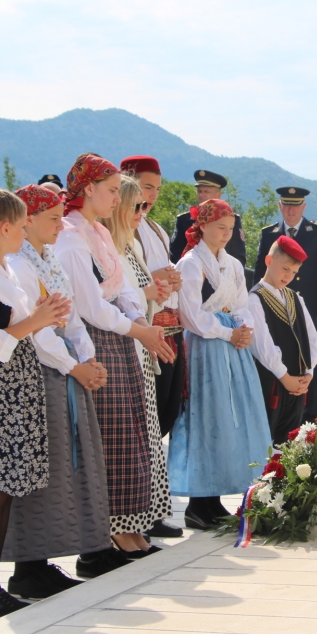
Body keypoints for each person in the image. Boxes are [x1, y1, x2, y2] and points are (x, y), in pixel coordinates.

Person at [53, 154, 175, 574]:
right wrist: (138, 330)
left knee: (130, 434)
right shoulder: (70, 238)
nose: (116, 198)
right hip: (96, 343)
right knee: (106, 440)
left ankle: (127, 529)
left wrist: (141, 322)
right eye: (109, 190)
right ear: (87, 190)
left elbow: (121, 287)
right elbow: (88, 304)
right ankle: (99, 540)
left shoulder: (97, 234)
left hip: (120, 337)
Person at [0, 188, 71, 618]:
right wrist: (34, 321)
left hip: (14, 385)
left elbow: (19, 324)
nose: (26, 233)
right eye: (23, 226)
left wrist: (46, 314)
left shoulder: (0, 269)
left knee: (5, 490)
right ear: (4, 228)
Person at [2, 184, 111, 600]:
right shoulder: (20, 265)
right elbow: (37, 331)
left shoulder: (47, 260)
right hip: (41, 376)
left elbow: (73, 317)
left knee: (67, 470)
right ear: (26, 219)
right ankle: (27, 568)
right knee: (42, 471)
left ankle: (44, 561)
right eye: (52, 217)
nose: (59, 224)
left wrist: (88, 357)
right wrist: (74, 365)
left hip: (66, 372)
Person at [167, 199, 272, 530]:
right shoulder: (189, 264)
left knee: (231, 419)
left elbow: (242, 304)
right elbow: (192, 316)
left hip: (232, 347)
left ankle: (216, 500)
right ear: (204, 226)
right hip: (205, 348)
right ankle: (199, 502)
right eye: (219, 227)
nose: (225, 234)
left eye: (230, 229)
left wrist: (243, 331)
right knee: (207, 416)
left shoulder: (233, 265)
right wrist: (228, 333)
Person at [100, 174, 180, 543]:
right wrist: (149, 289)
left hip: (139, 343)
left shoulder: (130, 244)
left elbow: (139, 295)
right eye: (137, 205)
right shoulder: (108, 247)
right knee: (123, 444)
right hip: (120, 345)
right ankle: (120, 530)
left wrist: (157, 291)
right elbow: (109, 298)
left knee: (144, 441)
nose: (142, 212)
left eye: (145, 205)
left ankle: (139, 522)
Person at [254, 187, 317, 421]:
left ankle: (311, 421)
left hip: (309, 312)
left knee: (314, 370)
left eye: (296, 205)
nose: (291, 210)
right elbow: (259, 273)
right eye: (286, 205)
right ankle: (284, 419)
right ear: (280, 206)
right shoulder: (269, 233)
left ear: (304, 207)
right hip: (274, 311)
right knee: (278, 365)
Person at [119, 156, 186, 447]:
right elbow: (124, 283)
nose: (152, 195)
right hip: (147, 327)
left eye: (157, 188)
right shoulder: (121, 228)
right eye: (147, 187)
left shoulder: (155, 228)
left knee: (167, 410)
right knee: (147, 416)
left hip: (170, 327)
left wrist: (172, 279)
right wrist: (155, 280)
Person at [249, 236, 317, 444]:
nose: (288, 276)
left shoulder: (295, 298)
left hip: (298, 384)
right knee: (267, 440)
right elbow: (262, 346)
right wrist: (285, 377)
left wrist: (309, 371)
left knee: (291, 444)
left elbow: (311, 337)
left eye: (294, 272)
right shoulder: (255, 298)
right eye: (285, 269)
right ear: (269, 261)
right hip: (272, 382)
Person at [168, 170, 246, 264]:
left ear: (218, 195)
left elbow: (239, 256)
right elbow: (175, 255)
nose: (201, 195)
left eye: (206, 191)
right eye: (199, 191)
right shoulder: (184, 220)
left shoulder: (232, 219)